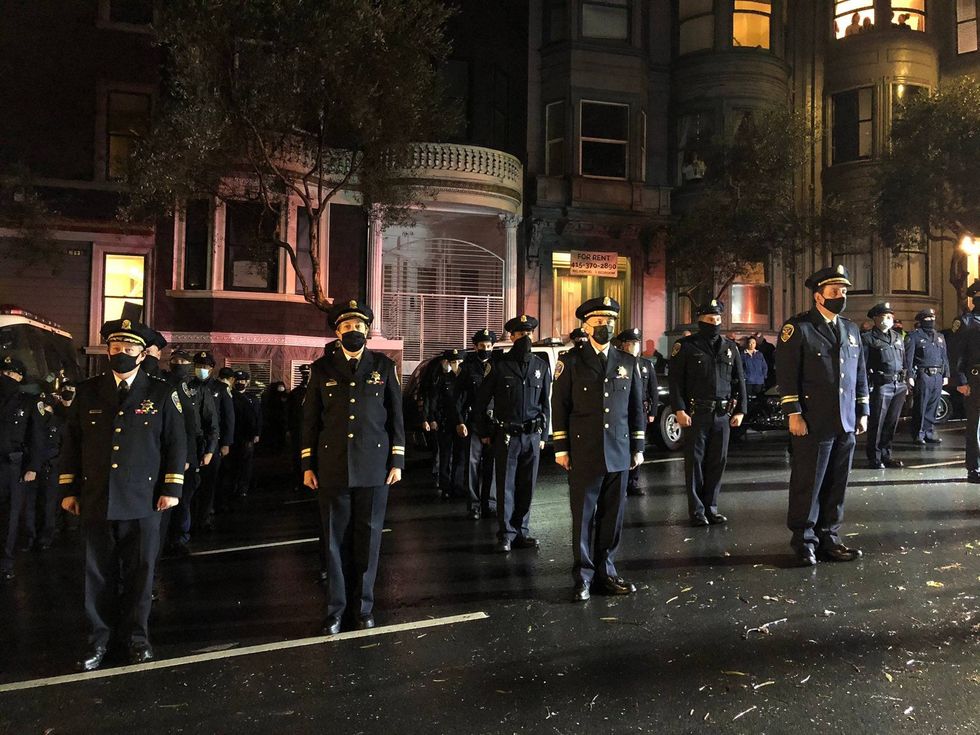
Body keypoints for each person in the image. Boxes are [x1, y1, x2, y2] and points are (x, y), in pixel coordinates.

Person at [59, 319, 186, 670]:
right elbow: (72, 443)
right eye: (115, 349)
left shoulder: (160, 391)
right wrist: (69, 488)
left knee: (139, 574)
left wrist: (171, 488)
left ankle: (137, 639)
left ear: (143, 354)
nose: (121, 355)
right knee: (96, 575)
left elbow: (176, 443)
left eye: (129, 350)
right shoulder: (89, 391)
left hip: (143, 500)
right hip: (96, 498)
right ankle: (97, 640)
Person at [301, 299, 404, 634]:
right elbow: (310, 422)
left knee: (369, 540)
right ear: (337, 332)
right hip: (331, 468)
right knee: (333, 542)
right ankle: (335, 609)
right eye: (347, 327)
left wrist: (398, 460)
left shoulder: (383, 367)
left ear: (367, 331)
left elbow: (397, 419)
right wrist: (307, 464)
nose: (354, 332)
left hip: (374, 467)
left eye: (359, 327)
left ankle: (363, 607)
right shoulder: (321, 369)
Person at [552, 297, 645, 601]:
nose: (606, 327)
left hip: (618, 450)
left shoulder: (628, 362)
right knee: (583, 517)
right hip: (584, 451)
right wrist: (561, 448)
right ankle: (583, 577)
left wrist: (638, 446)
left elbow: (635, 409)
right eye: (600, 322)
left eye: (610, 322)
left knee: (612, 517)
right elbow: (560, 406)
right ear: (586, 325)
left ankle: (607, 571)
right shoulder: (572, 360)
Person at [776, 265, 868, 567]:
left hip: (845, 420)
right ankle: (804, 541)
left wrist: (863, 409)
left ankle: (830, 537)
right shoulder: (798, 328)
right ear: (818, 296)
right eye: (834, 291)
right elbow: (788, 376)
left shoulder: (851, 329)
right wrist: (793, 412)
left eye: (843, 291)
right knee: (808, 481)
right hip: (813, 420)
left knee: (837, 483)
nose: (841, 296)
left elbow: (859, 375)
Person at [473, 316, 550, 552]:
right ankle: (506, 533)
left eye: (528, 334)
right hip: (507, 435)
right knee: (505, 485)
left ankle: (521, 531)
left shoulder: (540, 365)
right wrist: (485, 432)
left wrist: (544, 436)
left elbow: (545, 402)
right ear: (512, 337)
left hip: (532, 435)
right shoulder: (499, 366)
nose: (525, 338)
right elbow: (480, 402)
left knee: (527, 485)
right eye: (520, 334)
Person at [669, 300, 746, 526]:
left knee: (717, 462)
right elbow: (675, 382)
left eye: (718, 320)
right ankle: (697, 511)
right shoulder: (685, 346)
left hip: (722, 414)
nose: (715, 324)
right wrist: (679, 410)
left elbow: (739, 379)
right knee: (695, 463)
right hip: (696, 412)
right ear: (700, 321)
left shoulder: (729, 347)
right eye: (710, 320)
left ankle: (711, 507)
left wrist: (741, 409)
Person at [162, 348, 218, 554]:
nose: (178, 364)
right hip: (165, 450)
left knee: (183, 499)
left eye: (182, 361)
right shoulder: (162, 385)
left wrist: (210, 450)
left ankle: (180, 537)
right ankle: (164, 537)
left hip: (190, 450)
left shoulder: (197, 389)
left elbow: (210, 422)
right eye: (174, 360)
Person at [0, 355, 44, 581]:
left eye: (12, 375)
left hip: (12, 466)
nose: (8, 378)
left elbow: (37, 437)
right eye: (4, 374)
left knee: (10, 515)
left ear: (21, 377)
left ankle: (5, 562)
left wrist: (33, 466)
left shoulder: (28, 402)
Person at [452, 330, 498, 520]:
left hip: (494, 422)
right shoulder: (468, 368)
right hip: (473, 422)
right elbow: (458, 398)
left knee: (492, 464)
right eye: (482, 346)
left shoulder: (499, 366)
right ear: (475, 346)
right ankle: (474, 505)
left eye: (488, 346)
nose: (485, 349)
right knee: (472, 463)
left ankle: (491, 503)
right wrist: (460, 421)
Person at [861, 303, 908, 470]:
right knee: (877, 423)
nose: (888, 319)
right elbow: (863, 366)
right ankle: (874, 457)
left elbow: (903, 361)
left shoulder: (898, 337)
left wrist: (906, 381)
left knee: (891, 423)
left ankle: (886, 454)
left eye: (890, 316)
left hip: (898, 385)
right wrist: (865, 390)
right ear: (875, 318)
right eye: (884, 316)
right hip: (881, 385)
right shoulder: (868, 338)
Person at [191, 352, 233, 532]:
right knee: (192, 483)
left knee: (209, 482)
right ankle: (191, 517)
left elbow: (228, 417)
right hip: (193, 442)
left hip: (212, 443)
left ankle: (205, 517)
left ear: (212, 368)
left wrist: (226, 443)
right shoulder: (188, 386)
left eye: (206, 367)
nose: (202, 370)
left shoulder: (220, 389)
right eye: (199, 366)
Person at [616, 327, 658, 497]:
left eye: (636, 343)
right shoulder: (620, 364)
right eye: (631, 343)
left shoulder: (646, 365)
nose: (634, 346)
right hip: (624, 411)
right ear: (624, 345)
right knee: (624, 446)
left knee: (638, 447)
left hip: (641, 411)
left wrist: (652, 411)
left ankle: (633, 482)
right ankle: (622, 481)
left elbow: (653, 390)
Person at [34, 383, 74, 549]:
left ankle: (51, 533)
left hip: (56, 464)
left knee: (51, 502)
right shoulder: (47, 419)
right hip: (45, 464)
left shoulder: (63, 419)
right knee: (43, 502)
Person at [424, 349, 466, 501]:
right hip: (446, 422)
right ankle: (445, 486)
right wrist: (432, 418)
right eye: (453, 362)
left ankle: (458, 486)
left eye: (459, 362)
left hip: (461, 423)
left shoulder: (466, 379)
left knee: (460, 456)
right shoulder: (443, 379)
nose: (456, 365)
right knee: (446, 455)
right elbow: (434, 400)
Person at [905, 308, 949, 448]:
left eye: (933, 318)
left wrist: (946, 374)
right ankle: (918, 433)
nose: (931, 321)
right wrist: (909, 376)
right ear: (921, 320)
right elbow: (909, 358)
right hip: (923, 375)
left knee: (933, 405)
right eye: (928, 318)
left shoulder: (940, 337)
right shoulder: (914, 336)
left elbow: (944, 357)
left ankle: (929, 432)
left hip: (937, 375)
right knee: (921, 405)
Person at [228, 370, 261, 504]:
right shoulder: (230, 396)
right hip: (234, 435)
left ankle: (243, 488)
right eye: (238, 380)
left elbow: (258, 417)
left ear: (247, 382)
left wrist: (257, 433)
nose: (240, 383)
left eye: (243, 381)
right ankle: (233, 487)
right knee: (232, 463)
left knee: (246, 463)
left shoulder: (252, 398)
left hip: (248, 436)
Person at [287, 364, 311, 492]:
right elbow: (289, 413)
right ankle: (298, 480)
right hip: (298, 430)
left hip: (313, 430)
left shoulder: (316, 391)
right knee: (298, 456)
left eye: (308, 374)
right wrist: (289, 430)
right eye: (304, 375)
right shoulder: (295, 393)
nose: (306, 377)